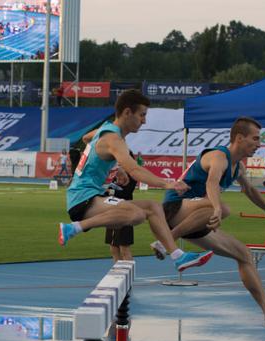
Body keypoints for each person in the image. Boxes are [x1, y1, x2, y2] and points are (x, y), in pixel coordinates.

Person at [150, 116, 265, 328]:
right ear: (239, 138)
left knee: (244, 255)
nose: (259, 144)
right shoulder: (218, 156)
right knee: (224, 208)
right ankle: (165, 242)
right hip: (174, 209)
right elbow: (212, 183)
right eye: (255, 139)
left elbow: (250, 190)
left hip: (195, 218)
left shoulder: (238, 167)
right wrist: (216, 208)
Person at [58, 89, 213, 272]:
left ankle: (178, 256)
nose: (144, 121)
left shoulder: (106, 130)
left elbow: (86, 138)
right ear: (127, 112)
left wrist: (117, 166)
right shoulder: (113, 139)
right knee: (136, 215)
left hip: (89, 195)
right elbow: (135, 169)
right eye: (142, 115)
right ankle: (73, 228)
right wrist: (167, 183)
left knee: (153, 207)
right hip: (82, 198)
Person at [105, 154, 138, 262]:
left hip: (125, 215)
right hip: (113, 213)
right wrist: (109, 191)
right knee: (113, 248)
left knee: (124, 248)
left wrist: (111, 191)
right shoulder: (117, 175)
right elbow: (110, 188)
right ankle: (117, 275)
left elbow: (126, 193)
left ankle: (129, 276)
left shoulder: (132, 176)